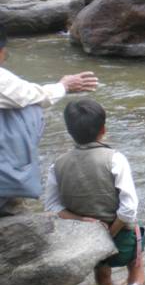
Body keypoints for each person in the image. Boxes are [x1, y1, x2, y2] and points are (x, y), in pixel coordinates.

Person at [44, 99, 145, 285]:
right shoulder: (116, 159)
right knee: (135, 267)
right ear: (103, 129)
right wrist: (109, 233)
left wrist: (82, 219)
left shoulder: (56, 165)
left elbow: (52, 207)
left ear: (69, 132)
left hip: (86, 243)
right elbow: (128, 210)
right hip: (121, 239)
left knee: (102, 272)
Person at [0, 23, 98, 216]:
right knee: (30, 109)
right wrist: (64, 85)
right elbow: (34, 96)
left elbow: (54, 204)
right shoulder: (114, 161)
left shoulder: (61, 164)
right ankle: (11, 188)